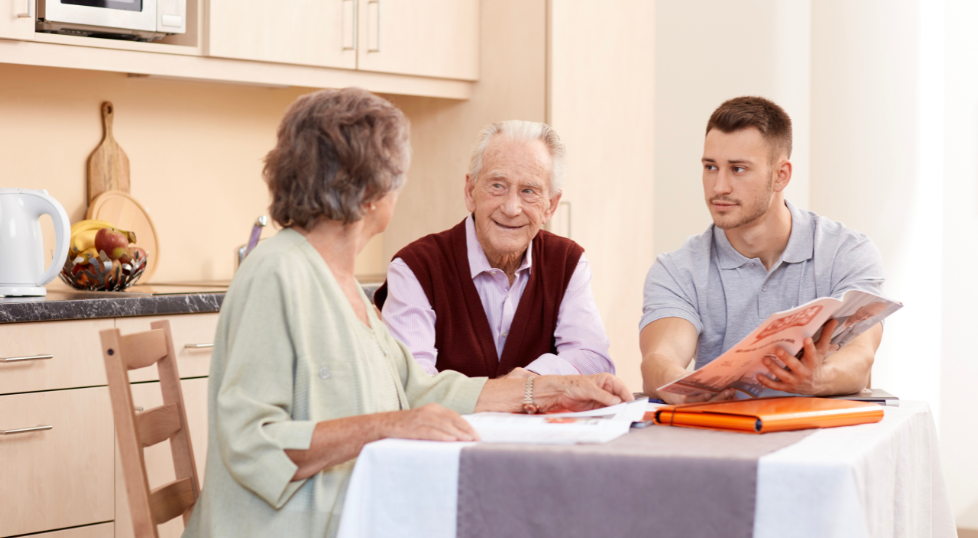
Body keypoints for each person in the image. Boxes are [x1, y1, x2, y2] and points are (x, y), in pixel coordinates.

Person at [183, 89, 632, 538]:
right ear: (369, 194)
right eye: (396, 174)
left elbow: (417, 389)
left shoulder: (340, 284)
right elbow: (251, 442)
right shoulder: (276, 272)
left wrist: (551, 391)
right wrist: (388, 425)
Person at [639, 96, 886, 405]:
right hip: (722, 438)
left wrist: (816, 379)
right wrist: (679, 387)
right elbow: (659, 359)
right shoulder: (677, 270)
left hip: (821, 440)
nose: (718, 187)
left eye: (738, 169)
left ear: (781, 175)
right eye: (711, 167)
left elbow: (861, 356)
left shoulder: (846, 253)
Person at [374, 120, 613, 379]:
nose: (511, 208)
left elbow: (592, 358)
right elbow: (413, 384)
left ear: (551, 206)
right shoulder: (416, 268)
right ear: (470, 191)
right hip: (451, 421)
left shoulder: (567, 262)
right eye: (497, 186)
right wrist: (526, 391)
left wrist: (524, 381)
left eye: (528, 191)